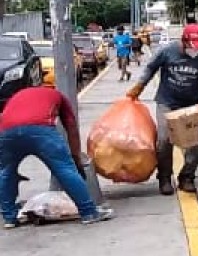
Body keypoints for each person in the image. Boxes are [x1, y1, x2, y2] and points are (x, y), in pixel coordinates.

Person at [126, 23, 198, 195]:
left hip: (190, 103)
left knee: (194, 141)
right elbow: (150, 68)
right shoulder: (167, 51)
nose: (195, 51)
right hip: (166, 102)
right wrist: (139, 86)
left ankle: (187, 177)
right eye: (192, 47)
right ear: (183, 41)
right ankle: (164, 177)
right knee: (164, 141)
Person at [0, 86, 114, 228]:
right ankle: (89, 212)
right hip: (41, 130)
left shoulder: (19, 94)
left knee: (6, 172)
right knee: (65, 169)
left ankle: (9, 218)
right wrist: (75, 158)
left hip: (5, 133)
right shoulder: (58, 96)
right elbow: (71, 128)